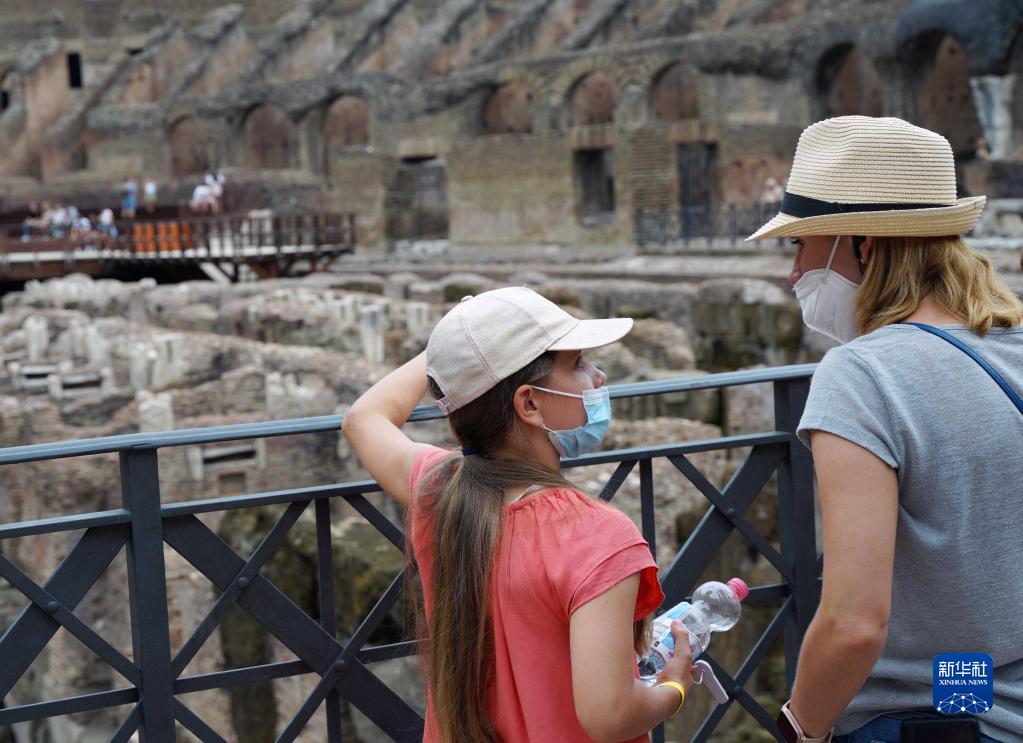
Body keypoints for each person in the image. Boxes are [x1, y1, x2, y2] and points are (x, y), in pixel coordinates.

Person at [748, 115, 1023, 743]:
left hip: (920, 723)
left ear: (863, 245)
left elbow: (854, 623)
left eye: (801, 245)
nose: (794, 273)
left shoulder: (862, 374)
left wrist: (801, 728)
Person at [342, 287, 696, 743]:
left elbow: (364, 417)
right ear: (529, 403)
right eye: (578, 364)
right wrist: (674, 688)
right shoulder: (598, 535)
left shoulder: (439, 490)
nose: (598, 376)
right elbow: (609, 715)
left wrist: (462, 343)